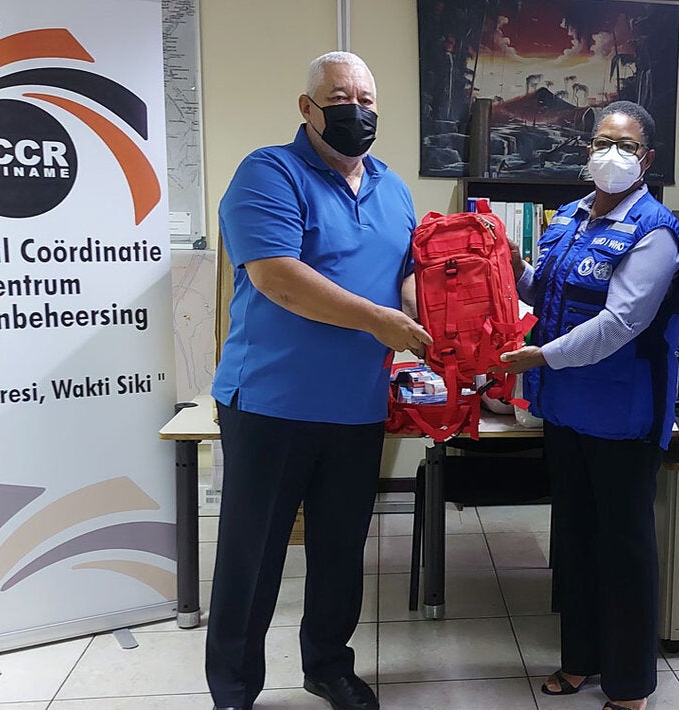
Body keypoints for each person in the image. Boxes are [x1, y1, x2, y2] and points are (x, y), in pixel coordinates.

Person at [206, 51, 430, 710]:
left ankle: (327, 665)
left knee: (339, 552)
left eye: (365, 99)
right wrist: (378, 322)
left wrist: (447, 314)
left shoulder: (393, 188)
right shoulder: (268, 173)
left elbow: (408, 278)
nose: (354, 110)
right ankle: (234, 688)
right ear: (307, 108)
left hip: (357, 407)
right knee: (254, 556)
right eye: (339, 97)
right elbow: (276, 275)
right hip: (272, 403)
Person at [500, 101, 679, 710]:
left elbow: (621, 322)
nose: (612, 154)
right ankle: (578, 659)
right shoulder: (568, 217)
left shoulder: (654, 231)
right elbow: (547, 290)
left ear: (647, 159)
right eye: (602, 141)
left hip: (622, 414)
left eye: (627, 145)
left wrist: (541, 358)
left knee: (623, 545)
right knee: (575, 537)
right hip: (565, 409)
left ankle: (630, 683)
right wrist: (513, 264)